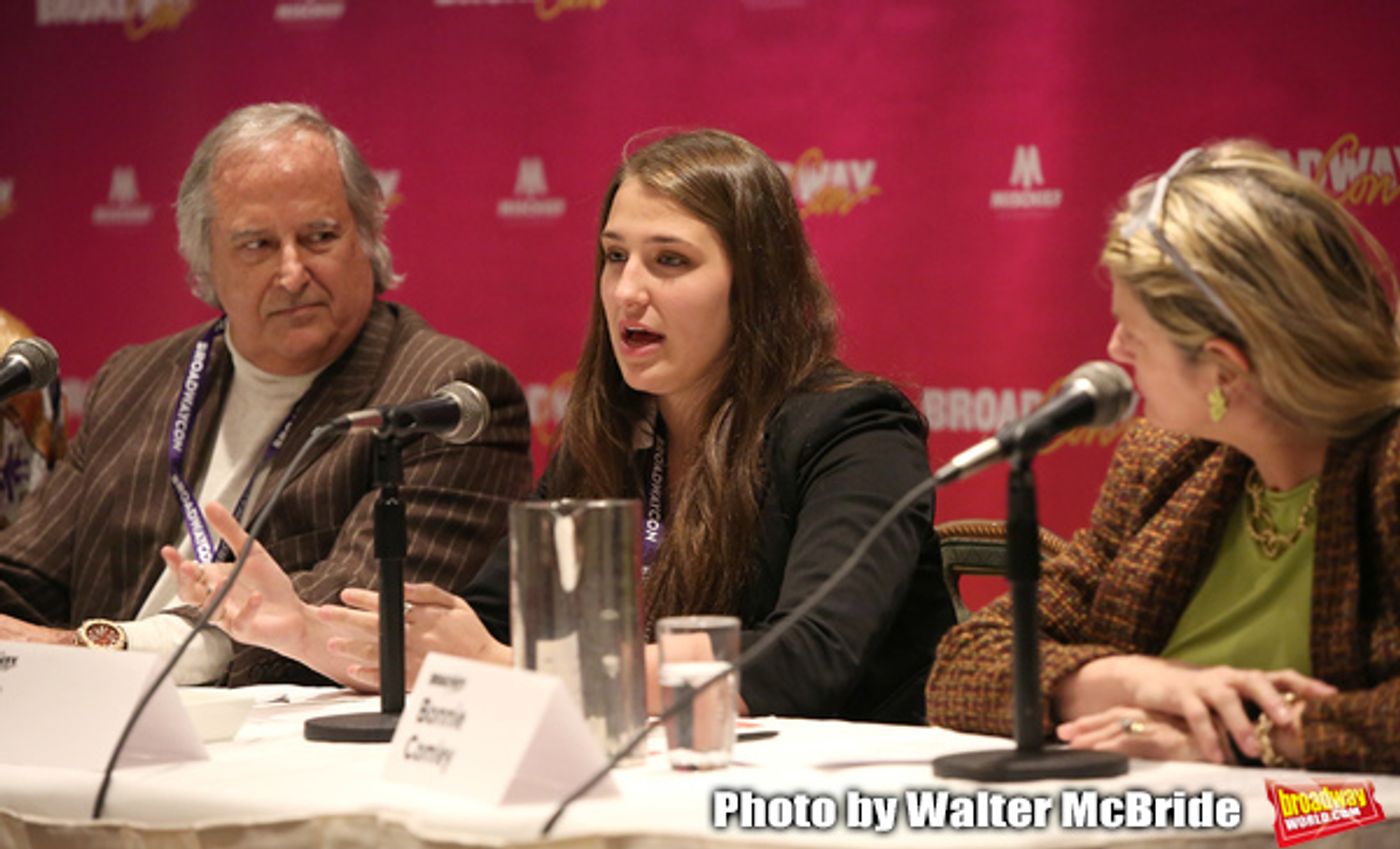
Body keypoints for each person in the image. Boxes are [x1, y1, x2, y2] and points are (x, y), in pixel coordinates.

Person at [172, 129, 954, 724]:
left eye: (670, 261)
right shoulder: (613, 436)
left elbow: (805, 657)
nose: (628, 291)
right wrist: (304, 633)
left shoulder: (854, 431)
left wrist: (518, 667)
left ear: (754, 284)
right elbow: (483, 626)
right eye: (615, 257)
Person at [0, 102, 532, 686]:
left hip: (264, 729)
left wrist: (99, 647)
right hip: (97, 717)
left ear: (368, 238)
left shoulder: (442, 397)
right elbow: (23, 580)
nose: (293, 272)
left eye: (320, 237)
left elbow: (340, 624)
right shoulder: (137, 379)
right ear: (206, 262)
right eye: (257, 245)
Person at [926, 140, 1400, 772]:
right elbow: (963, 668)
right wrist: (1135, 680)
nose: (1115, 349)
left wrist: (1241, 740)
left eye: (1137, 333)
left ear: (1224, 369)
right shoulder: (1166, 463)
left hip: (1335, 818)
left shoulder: (1387, 468)